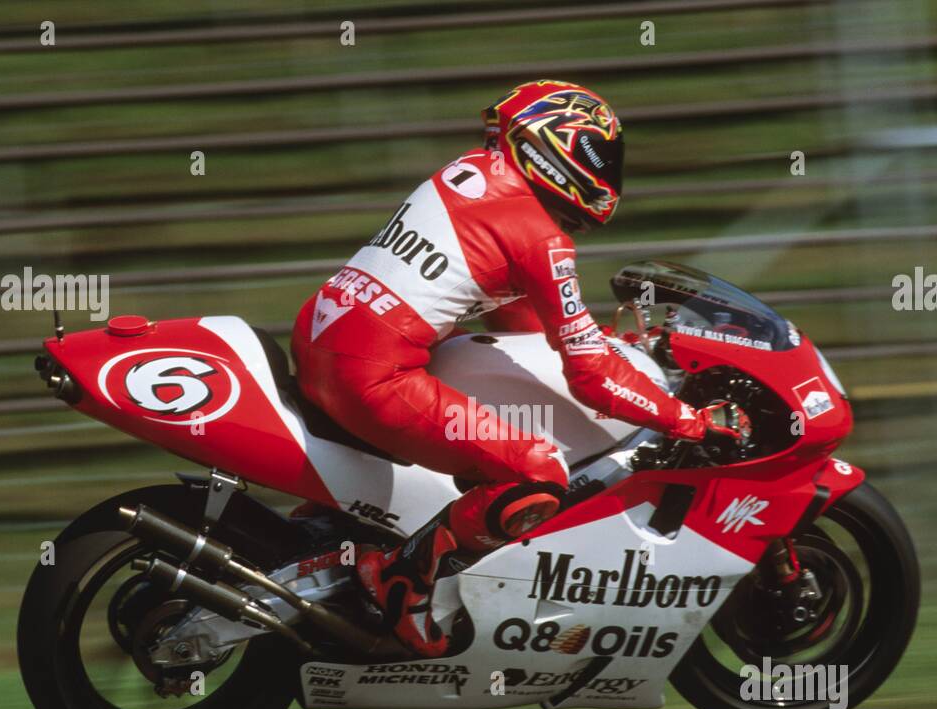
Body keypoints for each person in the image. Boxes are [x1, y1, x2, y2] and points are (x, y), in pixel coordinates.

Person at [290, 80, 746, 657]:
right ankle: (400, 579)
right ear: (554, 146)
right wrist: (688, 421)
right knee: (535, 468)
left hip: (320, 334)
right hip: (371, 372)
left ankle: (335, 541)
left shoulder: (474, 174)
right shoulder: (538, 232)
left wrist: (602, 342)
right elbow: (590, 376)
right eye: (598, 157)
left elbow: (522, 316)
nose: (606, 172)